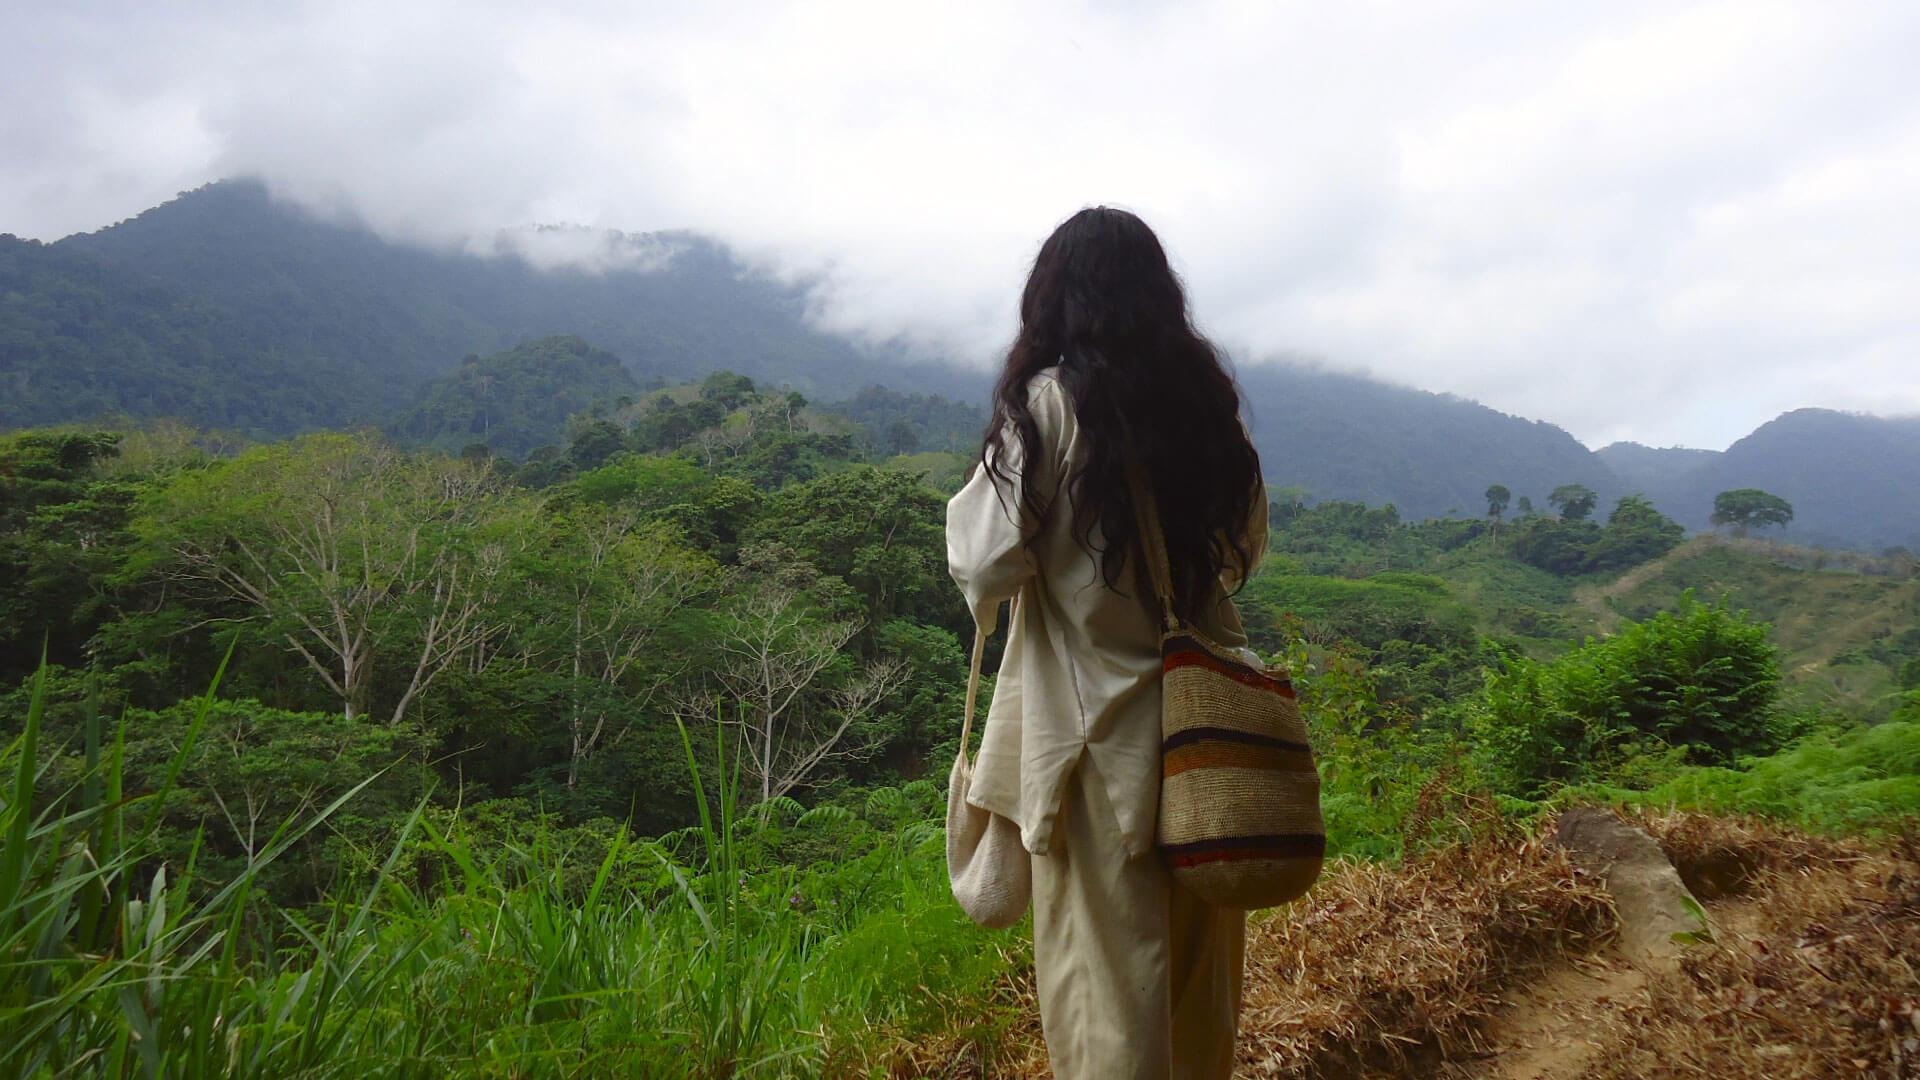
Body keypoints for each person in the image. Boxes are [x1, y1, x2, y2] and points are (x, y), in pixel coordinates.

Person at [946, 206, 1268, 1079]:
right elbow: (1244, 550)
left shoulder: (1047, 407)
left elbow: (982, 563)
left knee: (1107, 998)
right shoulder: (1207, 412)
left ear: (1053, 299)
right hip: (1208, 742)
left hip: (1094, 749)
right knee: (1201, 990)